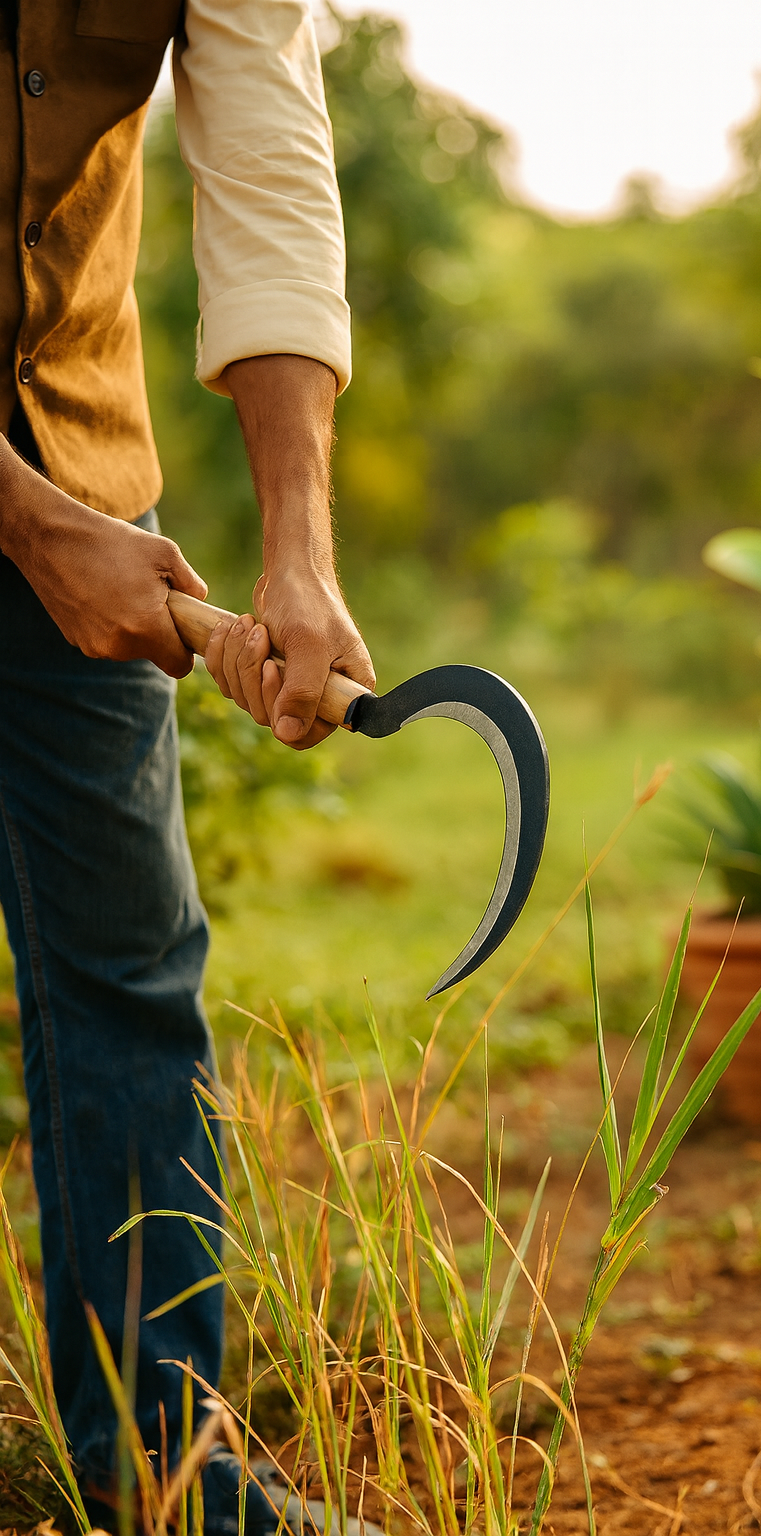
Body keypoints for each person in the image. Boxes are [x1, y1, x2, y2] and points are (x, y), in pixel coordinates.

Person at [0, 0, 375, 1526]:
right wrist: (26, 532)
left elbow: (270, 159)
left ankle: (168, 1486)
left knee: (128, 975)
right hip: (48, 513)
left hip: (75, 438)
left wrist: (297, 549)